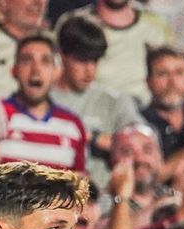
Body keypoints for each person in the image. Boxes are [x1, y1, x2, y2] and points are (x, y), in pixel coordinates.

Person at [0, 33, 88, 174]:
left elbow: (80, 183)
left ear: (56, 72)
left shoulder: (73, 125)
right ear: (14, 70)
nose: (36, 70)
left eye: (45, 61)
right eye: (27, 61)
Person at [49, 11, 141, 189]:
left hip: (107, 201)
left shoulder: (115, 101)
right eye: (81, 60)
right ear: (61, 54)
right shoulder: (42, 101)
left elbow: (139, 146)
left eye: (95, 60)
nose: (90, 70)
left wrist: (95, 138)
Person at [88, 0, 173, 104]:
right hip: (98, 112)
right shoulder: (77, 23)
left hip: (151, 112)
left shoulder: (156, 24)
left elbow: (173, 73)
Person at [139, 44, 184, 161]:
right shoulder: (139, 124)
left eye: (179, 73)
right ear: (148, 82)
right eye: (163, 74)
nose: (172, 82)